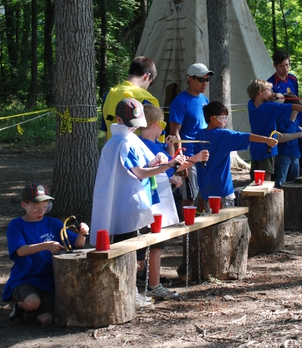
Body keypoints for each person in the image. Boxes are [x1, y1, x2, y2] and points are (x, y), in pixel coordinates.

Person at [90, 98, 183, 300]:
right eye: (131, 124)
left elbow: (146, 161)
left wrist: (159, 160)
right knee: (128, 253)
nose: (134, 129)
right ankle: (127, 293)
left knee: (138, 252)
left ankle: (130, 292)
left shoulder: (130, 139)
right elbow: (140, 172)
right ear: (119, 119)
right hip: (127, 206)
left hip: (137, 203)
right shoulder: (121, 142)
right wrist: (168, 165)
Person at [138, 104, 207, 298]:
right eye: (161, 124)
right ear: (153, 124)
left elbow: (169, 166)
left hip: (160, 198)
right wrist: (194, 158)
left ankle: (152, 281)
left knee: (156, 243)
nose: (163, 128)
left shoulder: (155, 145)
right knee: (154, 244)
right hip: (155, 202)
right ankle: (152, 284)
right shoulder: (148, 145)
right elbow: (171, 166)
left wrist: (170, 147)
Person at [3, 183, 89, 325]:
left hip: (49, 279)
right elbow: (20, 250)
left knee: (46, 320)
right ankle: (19, 305)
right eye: (35, 208)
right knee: (32, 303)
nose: (40, 211)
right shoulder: (16, 225)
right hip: (26, 277)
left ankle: (30, 313)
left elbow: (78, 244)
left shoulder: (53, 223)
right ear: (24, 205)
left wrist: (83, 233)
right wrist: (46, 246)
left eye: (45, 207)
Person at [196, 101, 277, 208]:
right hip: (223, 189)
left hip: (205, 188)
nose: (225, 121)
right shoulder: (224, 134)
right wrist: (267, 140)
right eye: (223, 117)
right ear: (212, 119)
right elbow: (247, 136)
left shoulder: (199, 134)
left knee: (209, 218)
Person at [247, 79, 302, 182]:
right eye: (269, 90)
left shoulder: (251, 104)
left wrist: (273, 96)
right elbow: (293, 106)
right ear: (260, 92)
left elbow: (265, 99)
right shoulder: (269, 107)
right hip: (268, 148)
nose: (272, 93)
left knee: (255, 179)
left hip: (255, 147)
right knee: (266, 180)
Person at [169, 63, 214, 208]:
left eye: (207, 80)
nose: (205, 83)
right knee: (189, 197)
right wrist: (181, 160)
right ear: (190, 79)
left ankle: (201, 228)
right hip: (189, 157)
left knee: (204, 194)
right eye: (201, 80)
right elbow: (174, 132)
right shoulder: (180, 101)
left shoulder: (204, 100)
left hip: (204, 154)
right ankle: (187, 228)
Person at [101, 56, 160, 140]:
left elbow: (106, 130)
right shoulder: (147, 99)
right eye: (151, 82)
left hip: (114, 149)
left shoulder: (109, 94)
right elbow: (154, 134)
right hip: (138, 152)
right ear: (147, 76)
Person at [273, 94, 302, 188]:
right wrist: (292, 119)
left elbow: (298, 131)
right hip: (284, 154)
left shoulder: (296, 121)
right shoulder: (281, 120)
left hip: (295, 154)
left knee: (294, 180)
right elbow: (287, 133)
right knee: (281, 179)